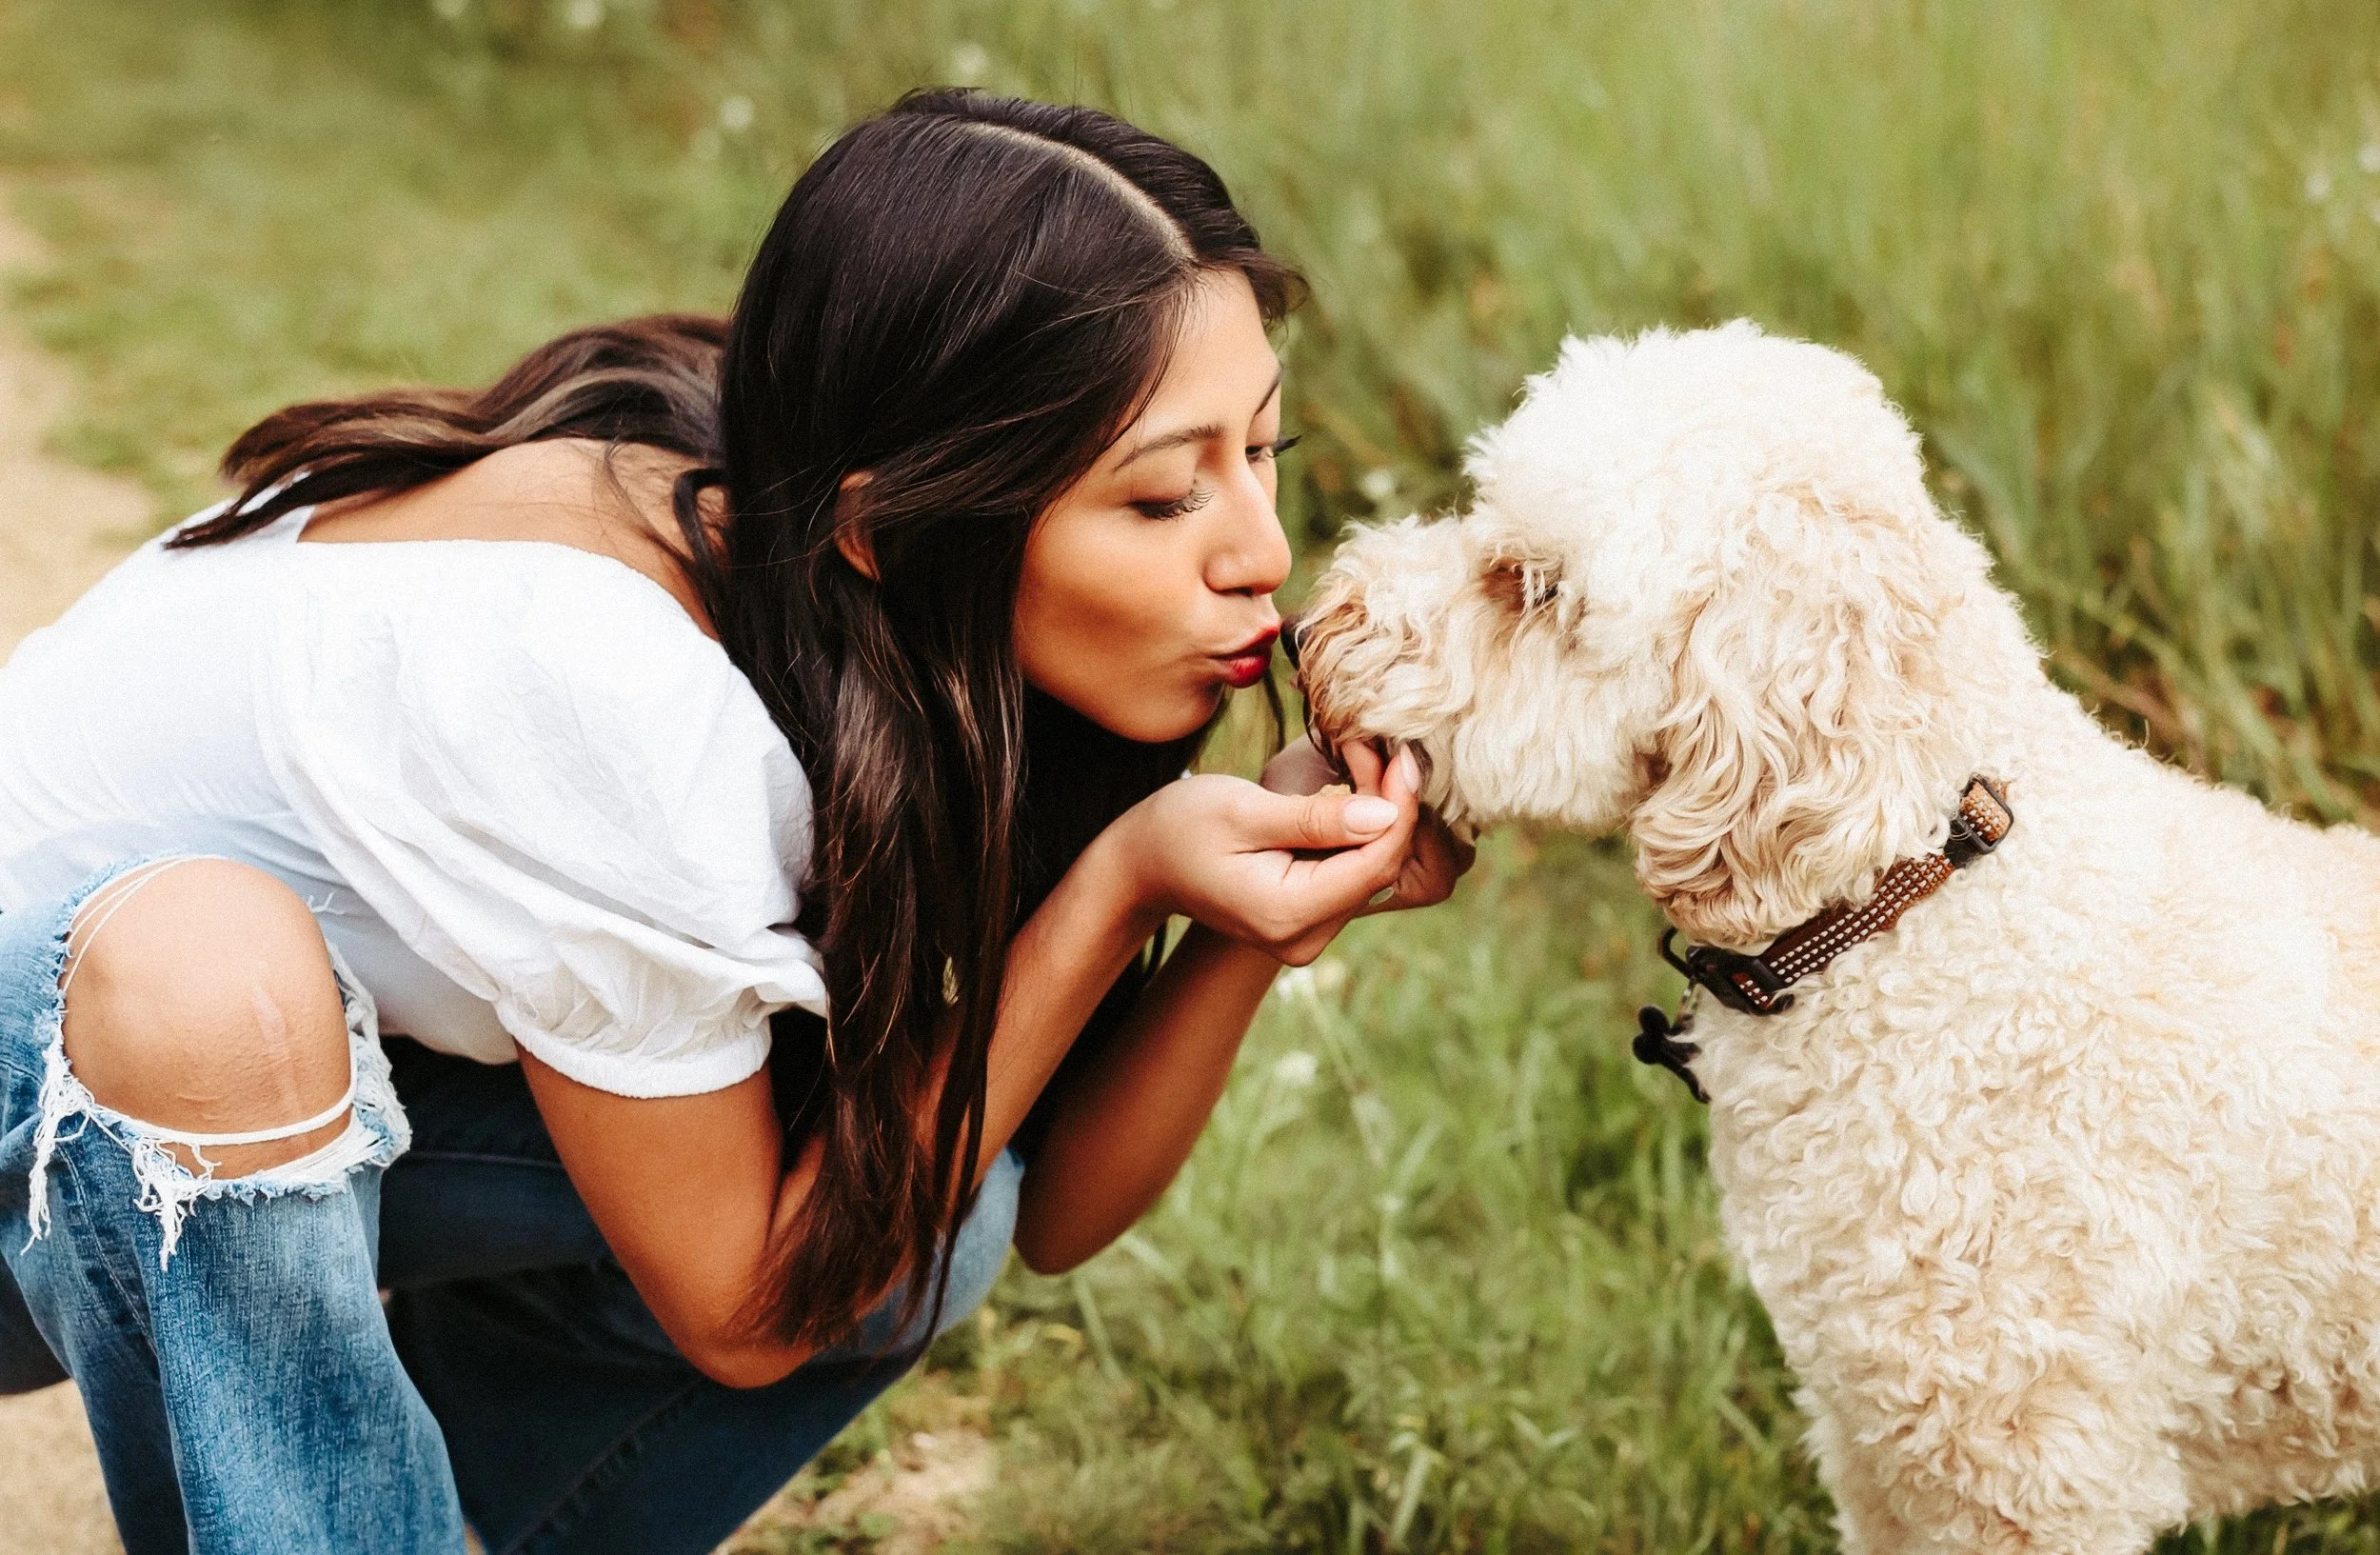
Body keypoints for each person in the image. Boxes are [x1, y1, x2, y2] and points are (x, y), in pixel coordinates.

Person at [0, 90, 1470, 1553]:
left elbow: (1047, 1208)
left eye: (1262, 450)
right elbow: (748, 1315)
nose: (1261, 550)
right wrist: (1116, 884)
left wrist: (1219, 919)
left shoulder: (806, 530)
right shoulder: (613, 689)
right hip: (66, 1101)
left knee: (919, 1213)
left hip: (224, 1102)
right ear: (890, 524)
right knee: (215, 973)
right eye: (1161, 498)